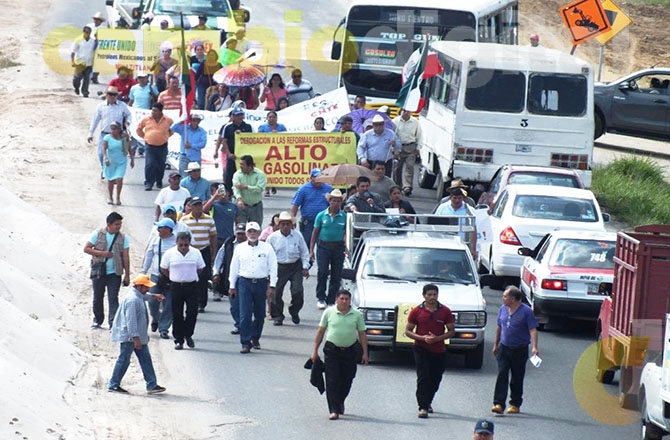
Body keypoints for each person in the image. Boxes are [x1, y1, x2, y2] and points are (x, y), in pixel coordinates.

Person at [310, 289, 369, 420]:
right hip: (332, 350)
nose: (344, 301)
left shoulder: (357, 315)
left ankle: (340, 401)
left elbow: (362, 334)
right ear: (337, 299)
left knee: (347, 379)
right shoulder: (329, 312)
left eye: (347, 299)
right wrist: (314, 350)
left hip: (350, 350)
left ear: (350, 301)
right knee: (331, 380)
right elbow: (321, 331)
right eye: (341, 299)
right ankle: (333, 409)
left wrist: (365, 353)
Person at [107, 274, 166, 394]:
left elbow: (144, 296)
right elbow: (131, 321)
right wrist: (135, 338)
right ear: (139, 286)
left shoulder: (136, 295)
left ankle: (152, 384)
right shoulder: (133, 300)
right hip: (130, 337)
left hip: (137, 336)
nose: (148, 289)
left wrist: (153, 296)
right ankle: (113, 384)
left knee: (145, 359)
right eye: (146, 287)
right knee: (124, 360)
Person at [404, 284, 455, 418]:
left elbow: (451, 331)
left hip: (439, 350)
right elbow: (408, 331)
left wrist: (437, 338)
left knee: (435, 378)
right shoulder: (416, 311)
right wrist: (422, 338)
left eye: (434, 294)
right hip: (421, 348)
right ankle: (423, 406)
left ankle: (428, 401)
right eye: (429, 295)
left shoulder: (445, 311)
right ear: (424, 296)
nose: (432, 297)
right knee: (423, 377)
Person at [228, 222, 278, 354]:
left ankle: (255, 337)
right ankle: (245, 342)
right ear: (246, 233)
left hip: (261, 283)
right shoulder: (240, 248)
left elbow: (273, 267)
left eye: (254, 231)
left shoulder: (267, 248)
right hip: (244, 283)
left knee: (260, 315)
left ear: (259, 232)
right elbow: (234, 267)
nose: (252, 234)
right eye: (249, 231)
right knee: (245, 315)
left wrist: (272, 285)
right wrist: (232, 285)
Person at [491, 286, 539, 415]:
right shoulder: (503, 309)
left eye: (505, 296)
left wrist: (534, 347)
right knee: (502, 375)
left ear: (512, 299)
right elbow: (499, 327)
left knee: (517, 377)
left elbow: (533, 329)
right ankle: (498, 403)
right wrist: (496, 344)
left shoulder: (526, 311)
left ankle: (515, 404)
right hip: (504, 348)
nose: (503, 298)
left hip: (519, 350)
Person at [83, 211, 130, 329]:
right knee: (98, 297)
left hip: (115, 272)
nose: (119, 227)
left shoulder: (124, 238)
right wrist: (102, 253)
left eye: (120, 224)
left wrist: (127, 275)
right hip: (99, 271)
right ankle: (98, 320)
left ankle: (113, 323)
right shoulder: (97, 234)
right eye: (116, 224)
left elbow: (125, 256)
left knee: (113, 298)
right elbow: (86, 249)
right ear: (109, 224)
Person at [160, 231, 205, 350]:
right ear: (176, 243)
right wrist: (173, 276)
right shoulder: (170, 253)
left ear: (189, 243)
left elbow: (201, 268)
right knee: (177, 314)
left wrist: (190, 275)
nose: (183, 247)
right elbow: (164, 268)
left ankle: (188, 334)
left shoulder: (196, 253)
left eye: (186, 245)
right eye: (181, 245)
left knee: (192, 312)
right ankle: (179, 340)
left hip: (191, 286)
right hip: (176, 286)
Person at [267, 211, 310, 325]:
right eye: (283, 224)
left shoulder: (298, 236)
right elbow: (267, 255)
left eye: (288, 224)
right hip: (279, 267)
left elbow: (304, 252)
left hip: (295, 266)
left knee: (298, 292)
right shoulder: (272, 238)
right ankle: (278, 316)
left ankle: (294, 311)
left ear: (291, 225)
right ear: (279, 225)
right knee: (276, 293)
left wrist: (305, 266)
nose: (285, 226)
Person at [179, 197, 218, 313]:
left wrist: (214, 253)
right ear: (190, 206)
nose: (197, 207)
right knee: (189, 275)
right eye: (195, 205)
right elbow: (181, 237)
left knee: (203, 277)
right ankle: (190, 300)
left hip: (204, 250)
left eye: (199, 205)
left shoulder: (209, 219)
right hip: (189, 250)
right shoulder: (184, 220)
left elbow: (213, 237)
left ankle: (201, 303)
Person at [310, 189, 347, 309]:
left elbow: (347, 232)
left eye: (338, 201)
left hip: (338, 247)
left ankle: (331, 299)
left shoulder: (344, 216)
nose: (335, 203)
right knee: (322, 272)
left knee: (336, 274)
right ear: (329, 201)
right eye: (333, 201)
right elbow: (315, 232)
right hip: (323, 246)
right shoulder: (321, 215)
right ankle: (321, 297)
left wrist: (346, 246)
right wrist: (311, 250)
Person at [142, 218, 177, 340]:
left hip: (171, 277)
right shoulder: (156, 240)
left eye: (160, 228)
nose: (158, 230)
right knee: (152, 301)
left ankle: (164, 328)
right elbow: (149, 255)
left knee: (169, 304)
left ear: (168, 229)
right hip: (156, 276)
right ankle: (156, 318)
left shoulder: (176, 242)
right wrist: (143, 271)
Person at [87, 86, 132, 176]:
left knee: (116, 155)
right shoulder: (101, 106)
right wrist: (90, 133)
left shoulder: (122, 106)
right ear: (106, 95)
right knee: (101, 154)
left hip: (118, 135)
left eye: (114, 95)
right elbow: (95, 120)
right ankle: (104, 169)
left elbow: (129, 114)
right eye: (110, 94)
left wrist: (128, 122)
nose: (112, 96)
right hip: (105, 134)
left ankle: (114, 173)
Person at [212, 223, 246, 327]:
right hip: (232, 278)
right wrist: (216, 272)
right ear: (235, 233)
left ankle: (244, 326)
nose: (240, 236)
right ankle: (238, 324)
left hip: (247, 279)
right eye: (239, 234)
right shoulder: (228, 243)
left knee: (246, 305)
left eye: (243, 234)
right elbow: (219, 258)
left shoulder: (252, 245)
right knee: (234, 305)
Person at [290, 168, 333, 248]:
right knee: (306, 245)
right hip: (308, 223)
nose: (319, 179)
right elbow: (295, 205)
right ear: (311, 178)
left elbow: (332, 204)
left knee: (324, 244)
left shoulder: (328, 189)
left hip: (323, 221)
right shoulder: (303, 189)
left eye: (320, 177)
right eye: (316, 177)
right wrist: (292, 220)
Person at [136, 102, 173, 191]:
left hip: (162, 145)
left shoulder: (168, 120)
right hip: (150, 146)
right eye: (152, 110)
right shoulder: (146, 119)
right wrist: (145, 137)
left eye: (155, 111)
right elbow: (139, 129)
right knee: (150, 164)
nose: (153, 112)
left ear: (160, 111)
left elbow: (172, 130)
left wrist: (165, 137)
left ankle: (159, 180)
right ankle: (149, 183)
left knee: (161, 164)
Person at [215, 106, 253, 190]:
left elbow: (251, 141)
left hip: (244, 156)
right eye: (237, 115)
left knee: (245, 174)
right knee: (229, 176)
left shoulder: (248, 127)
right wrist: (229, 154)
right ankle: (229, 192)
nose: (239, 117)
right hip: (232, 156)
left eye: (241, 115)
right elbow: (224, 141)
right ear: (233, 116)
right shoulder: (228, 127)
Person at [434, 186, 478, 257]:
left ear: (463, 198)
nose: (457, 200)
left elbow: (474, 230)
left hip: (462, 246)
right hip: (444, 244)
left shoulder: (470, 211)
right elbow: (435, 226)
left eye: (459, 198)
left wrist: (473, 249)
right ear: (450, 197)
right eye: (455, 198)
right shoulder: (442, 208)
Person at [102, 121, 134, 205]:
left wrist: (132, 159)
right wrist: (105, 158)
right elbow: (104, 149)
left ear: (119, 129)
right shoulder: (107, 138)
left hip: (121, 161)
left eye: (115, 129)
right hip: (110, 161)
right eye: (111, 129)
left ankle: (118, 197)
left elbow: (129, 148)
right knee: (111, 180)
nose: (113, 131)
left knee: (119, 179)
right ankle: (110, 197)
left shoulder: (124, 137)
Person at [392, 109, 423, 196]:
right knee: (397, 168)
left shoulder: (415, 122)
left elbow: (419, 136)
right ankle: (397, 186)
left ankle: (407, 186)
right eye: (404, 111)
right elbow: (391, 135)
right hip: (398, 147)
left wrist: (418, 148)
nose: (405, 113)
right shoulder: (395, 121)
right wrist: (393, 149)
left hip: (410, 146)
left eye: (407, 111)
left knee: (410, 167)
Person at [232, 155, 267, 225]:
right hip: (242, 206)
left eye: (242, 164)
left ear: (250, 165)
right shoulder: (237, 174)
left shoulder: (260, 174)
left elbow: (260, 188)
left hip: (256, 207)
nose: (240, 166)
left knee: (256, 228)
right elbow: (236, 188)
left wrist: (246, 187)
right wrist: (239, 199)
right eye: (240, 164)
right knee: (240, 228)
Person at [258, 111, 286, 196]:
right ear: (267, 118)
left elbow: (287, 138)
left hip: (278, 152)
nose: (272, 119)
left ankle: (274, 184)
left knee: (276, 169)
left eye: (273, 117)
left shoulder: (281, 127)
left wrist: (278, 135)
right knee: (266, 169)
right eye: (270, 117)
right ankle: (266, 188)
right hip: (266, 152)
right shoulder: (262, 127)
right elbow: (257, 139)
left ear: (276, 118)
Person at [203, 184, 240, 248]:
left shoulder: (233, 206)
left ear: (228, 193)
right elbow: (204, 210)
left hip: (229, 237)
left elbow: (238, 222)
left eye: (225, 191)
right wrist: (214, 197)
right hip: (216, 237)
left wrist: (236, 234)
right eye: (221, 192)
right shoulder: (214, 205)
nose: (223, 194)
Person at [70, 25, 95, 97]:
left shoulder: (92, 41)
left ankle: (85, 92)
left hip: (88, 63)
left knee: (87, 78)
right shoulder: (78, 40)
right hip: (79, 63)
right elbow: (73, 51)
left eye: (89, 32)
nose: (87, 34)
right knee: (77, 78)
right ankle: (76, 87)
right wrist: (72, 61)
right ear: (83, 32)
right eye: (86, 32)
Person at [86, 12, 105, 84]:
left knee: (97, 62)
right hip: (89, 45)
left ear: (101, 21)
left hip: (99, 46)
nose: (96, 21)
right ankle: (88, 76)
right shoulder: (89, 26)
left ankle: (94, 76)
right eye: (95, 19)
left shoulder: (103, 29)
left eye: (98, 20)